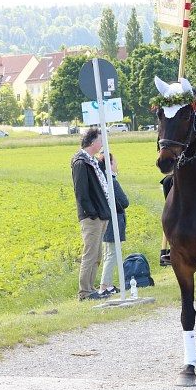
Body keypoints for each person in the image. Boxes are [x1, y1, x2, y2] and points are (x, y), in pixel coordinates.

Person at [71, 127, 112, 301]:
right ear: (93, 142)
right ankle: (84, 292)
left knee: (97, 255)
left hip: (100, 215)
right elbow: (81, 192)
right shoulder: (81, 162)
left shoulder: (93, 161)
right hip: (91, 217)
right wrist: (93, 213)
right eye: (101, 141)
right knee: (90, 255)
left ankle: (91, 289)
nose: (102, 144)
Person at [97, 152, 128, 295]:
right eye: (114, 162)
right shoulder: (112, 181)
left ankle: (107, 284)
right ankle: (103, 286)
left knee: (108, 253)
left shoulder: (101, 181)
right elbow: (124, 201)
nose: (116, 164)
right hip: (114, 222)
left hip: (105, 222)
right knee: (112, 254)